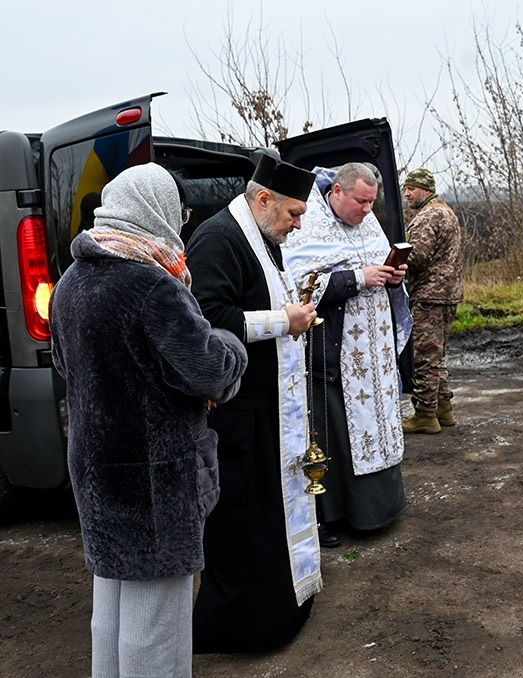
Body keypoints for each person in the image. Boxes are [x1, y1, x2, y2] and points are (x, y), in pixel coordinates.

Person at [50, 163, 248, 677]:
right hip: (155, 476)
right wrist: (230, 343)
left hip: (95, 468)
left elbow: (65, 365)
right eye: (179, 211)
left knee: (111, 606)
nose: (182, 223)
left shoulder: (71, 279)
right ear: (157, 209)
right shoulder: (151, 283)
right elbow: (209, 371)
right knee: (157, 621)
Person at [186, 155, 322, 653]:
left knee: (269, 511)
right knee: (242, 517)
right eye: (293, 213)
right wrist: (283, 321)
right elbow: (208, 317)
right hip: (238, 409)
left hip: (269, 404)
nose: (299, 224)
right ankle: (240, 625)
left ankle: (278, 608)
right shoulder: (219, 239)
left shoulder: (261, 235)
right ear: (262, 199)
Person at [284, 162, 410, 545]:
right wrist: (357, 278)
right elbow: (297, 284)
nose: (367, 210)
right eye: (360, 201)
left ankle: (383, 506)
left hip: (377, 354)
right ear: (337, 192)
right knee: (334, 431)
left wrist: (391, 276)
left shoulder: (367, 222)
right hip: (336, 354)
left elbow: (375, 264)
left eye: (372, 202)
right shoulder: (309, 225)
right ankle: (334, 515)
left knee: (380, 421)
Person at [398, 168, 464, 434]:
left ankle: (425, 414)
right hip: (447, 294)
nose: (406, 194)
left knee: (425, 356)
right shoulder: (446, 211)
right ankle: (443, 408)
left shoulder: (429, 215)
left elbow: (418, 255)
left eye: (411, 189)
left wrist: (391, 256)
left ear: (425, 190)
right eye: (405, 189)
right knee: (437, 355)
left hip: (429, 295)